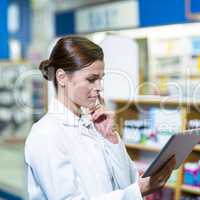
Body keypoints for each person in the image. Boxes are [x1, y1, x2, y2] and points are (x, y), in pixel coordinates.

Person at [24, 36, 175, 200]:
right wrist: (137, 190)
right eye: (91, 79)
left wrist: (111, 139)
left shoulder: (94, 126)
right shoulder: (46, 134)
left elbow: (128, 183)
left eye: (100, 78)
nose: (99, 87)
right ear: (62, 78)